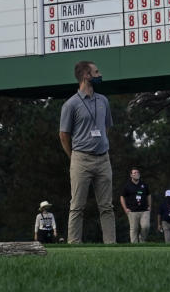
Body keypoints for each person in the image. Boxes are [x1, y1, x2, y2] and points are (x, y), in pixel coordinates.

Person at [59, 60, 115, 244]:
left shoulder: (103, 100)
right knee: (77, 206)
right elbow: (64, 135)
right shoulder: (71, 104)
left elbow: (107, 127)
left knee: (107, 206)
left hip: (103, 158)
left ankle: (111, 244)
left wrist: (101, 143)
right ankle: (74, 243)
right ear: (86, 75)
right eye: (96, 72)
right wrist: (73, 156)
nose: (99, 75)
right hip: (81, 159)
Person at [120, 168, 151, 242]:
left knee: (146, 226)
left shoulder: (144, 184)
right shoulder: (127, 186)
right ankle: (134, 245)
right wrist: (125, 209)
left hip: (144, 211)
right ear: (131, 175)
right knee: (134, 229)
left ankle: (142, 240)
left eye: (138, 172)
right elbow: (122, 197)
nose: (136, 174)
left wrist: (149, 206)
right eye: (134, 173)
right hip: (132, 211)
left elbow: (149, 195)